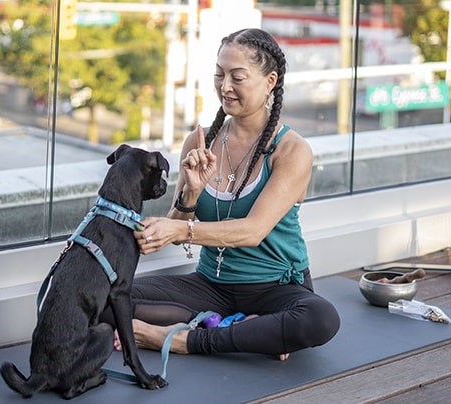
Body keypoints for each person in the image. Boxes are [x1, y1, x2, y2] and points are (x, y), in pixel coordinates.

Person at [114, 28, 340, 361]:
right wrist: (191, 193)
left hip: (275, 289)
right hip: (210, 285)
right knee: (108, 295)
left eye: (237, 77)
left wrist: (180, 229)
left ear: (270, 81)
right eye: (219, 74)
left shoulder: (291, 150)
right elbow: (177, 230)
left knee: (320, 320)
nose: (225, 86)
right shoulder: (200, 141)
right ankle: (245, 331)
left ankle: (184, 340)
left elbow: (252, 231)